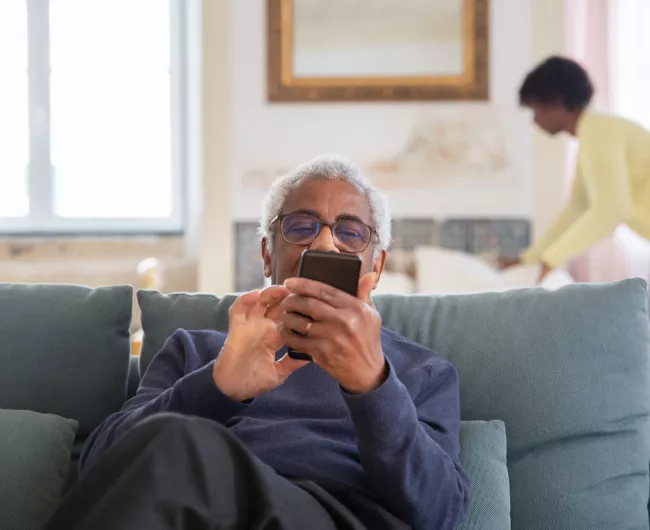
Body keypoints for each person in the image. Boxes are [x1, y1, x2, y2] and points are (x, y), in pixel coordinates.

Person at [47, 155, 470, 530]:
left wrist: (372, 386)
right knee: (175, 442)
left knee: (181, 443)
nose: (324, 242)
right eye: (301, 227)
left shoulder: (419, 370)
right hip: (195, 510)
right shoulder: (198, 352)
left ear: (375, 266)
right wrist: (217, 386)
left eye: (351, 233)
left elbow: (440, 513)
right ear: (267, 255)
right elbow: (103, 468)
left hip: (333, 515)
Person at [500, 56, 650, 283]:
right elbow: (578, 207)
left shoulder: (600, 133)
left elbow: (610, 210)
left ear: (557, 101)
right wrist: (531, 258)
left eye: (537, 108)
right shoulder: (596, 132)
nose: (535, 119)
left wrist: (551, 261)